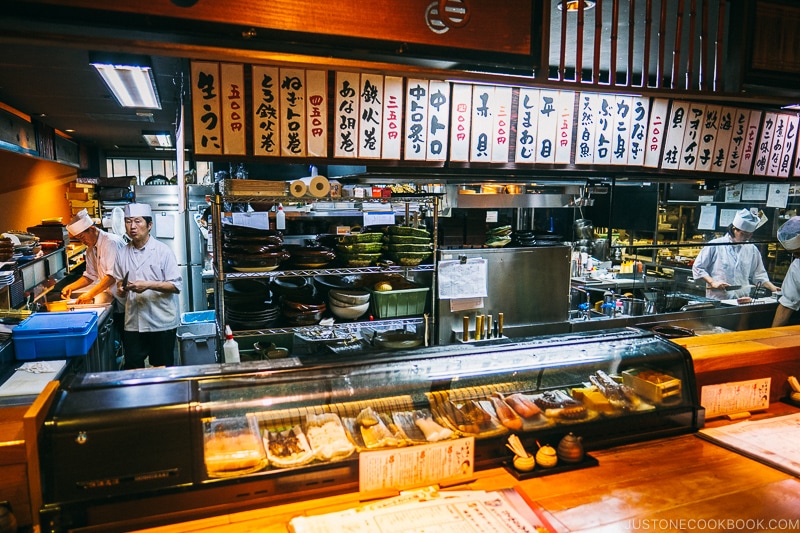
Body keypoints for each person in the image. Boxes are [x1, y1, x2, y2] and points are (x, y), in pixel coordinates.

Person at [113, 203, 182, 369]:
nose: (132, 226)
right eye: (128, 222)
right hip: (133, 322)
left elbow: (176, 285)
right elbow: (118, 282)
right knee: (134, 370)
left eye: (138, 221)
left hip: (161, 320)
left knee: (162, 368)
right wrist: (121, 289)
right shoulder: (122, 253)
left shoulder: (163, 251)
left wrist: (148, 285)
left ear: (149, 225)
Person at [692, 208, 778, 300]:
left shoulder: (752, 249)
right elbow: (698, 267)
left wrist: (773, 288)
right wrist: (713, 282)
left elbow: (759, 275)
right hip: (718, 299)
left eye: (750, 234)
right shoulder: (715, 245)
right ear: (734, 229)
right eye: (744, 234)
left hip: (742, 299)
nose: (747, 238)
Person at [61, 209, 126, 305]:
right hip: (116, 296)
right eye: (79, 239)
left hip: (129, 297)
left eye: (82, 237)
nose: (82, 242)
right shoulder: (90, 249)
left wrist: (90, 294)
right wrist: (70, 287)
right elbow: (90, 276)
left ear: (92, 229)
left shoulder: (111, 243)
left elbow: (112, 276)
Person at [772, 216, 800, 327]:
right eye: (793, 253)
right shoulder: (797, 266)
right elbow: (787, 304)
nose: (796, 257)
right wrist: (772, 336)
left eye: (798, 252)